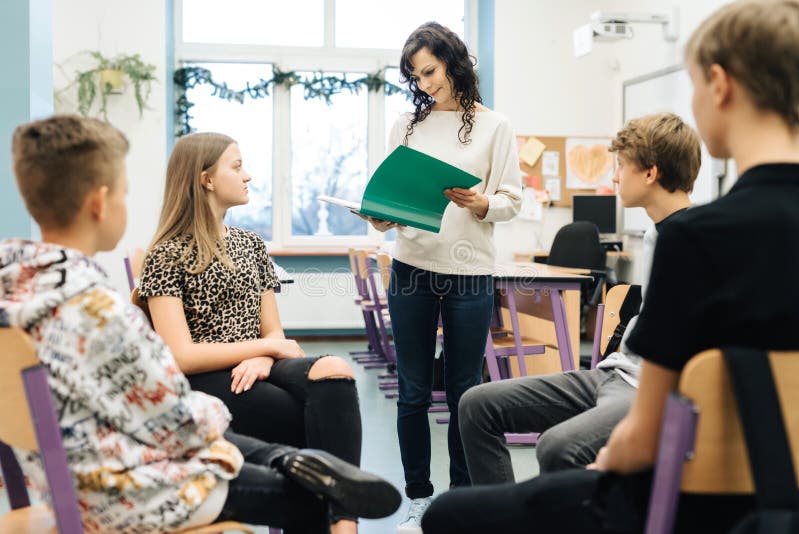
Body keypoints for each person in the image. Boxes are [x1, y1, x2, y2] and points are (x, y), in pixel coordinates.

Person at [421, 1, 799, 532]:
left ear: (720, 85)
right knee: (480, 405)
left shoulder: (696, 237)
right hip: (760, 492)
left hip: (677, 486)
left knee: (449, 514)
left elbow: (643, 433)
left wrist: (611, 461)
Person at [0, 115, 401, 533]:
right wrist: (219, 423)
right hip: (132, 489)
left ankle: (294, 462)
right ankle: (311, 477)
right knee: (316, 497)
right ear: (100, 204)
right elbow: (175, 424)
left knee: (312, 418)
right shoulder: (96, 308)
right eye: (124, 192)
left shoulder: (19, 288)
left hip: (67, 477)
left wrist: (263, 357)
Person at [137, 132, 366, 531]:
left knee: (334, 370)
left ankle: (344, 523)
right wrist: (264, 347)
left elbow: (273, 329)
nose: (248, 176)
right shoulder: (166, 252)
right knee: (314, 419)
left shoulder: (252, 244)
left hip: (259, 364)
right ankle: (332, 520)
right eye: (237, 166)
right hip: (205, 375)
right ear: (206, 179)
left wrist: (263, 354)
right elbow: (180, 354)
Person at [458, 111, 700, 483]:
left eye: (621, 166)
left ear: (650, 173)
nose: (616, 176)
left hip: (646, 389)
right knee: (476, 405)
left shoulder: (694, 240)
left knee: (557, 446)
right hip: (616, 372)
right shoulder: (657, 236)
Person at [362, 21, 522, 533]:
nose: (424, 82)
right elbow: (389, 195)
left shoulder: (495, 127)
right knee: (411, 390)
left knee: (464, 393)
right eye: (415, 74)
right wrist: (380, 216)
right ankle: (418, 498)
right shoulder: (407, 125)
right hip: (411, 267)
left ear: (454, 61)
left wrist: (483, 203)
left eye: (430, 70)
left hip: (469, 272)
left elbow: (512, 201)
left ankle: (457, 499)